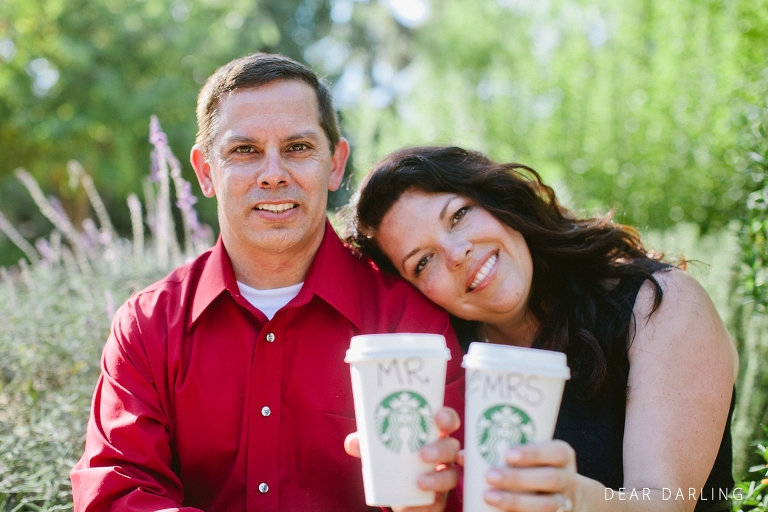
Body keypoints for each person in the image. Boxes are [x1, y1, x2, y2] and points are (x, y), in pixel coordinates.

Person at [70, 54, 465, 512]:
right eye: (245, 151)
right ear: (204, 171)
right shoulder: (147, 327)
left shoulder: (409, 322)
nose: (274, 174)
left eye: (298, 148)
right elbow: (118, 493)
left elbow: (462, 488)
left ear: (335, 164)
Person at [347, 146, 737, 512]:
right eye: (423, 261)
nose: (456, 253)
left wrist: (572, 498)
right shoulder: (444, 369)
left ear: (500, 201)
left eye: (459, 215)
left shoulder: (658, 304)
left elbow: (665, 502)